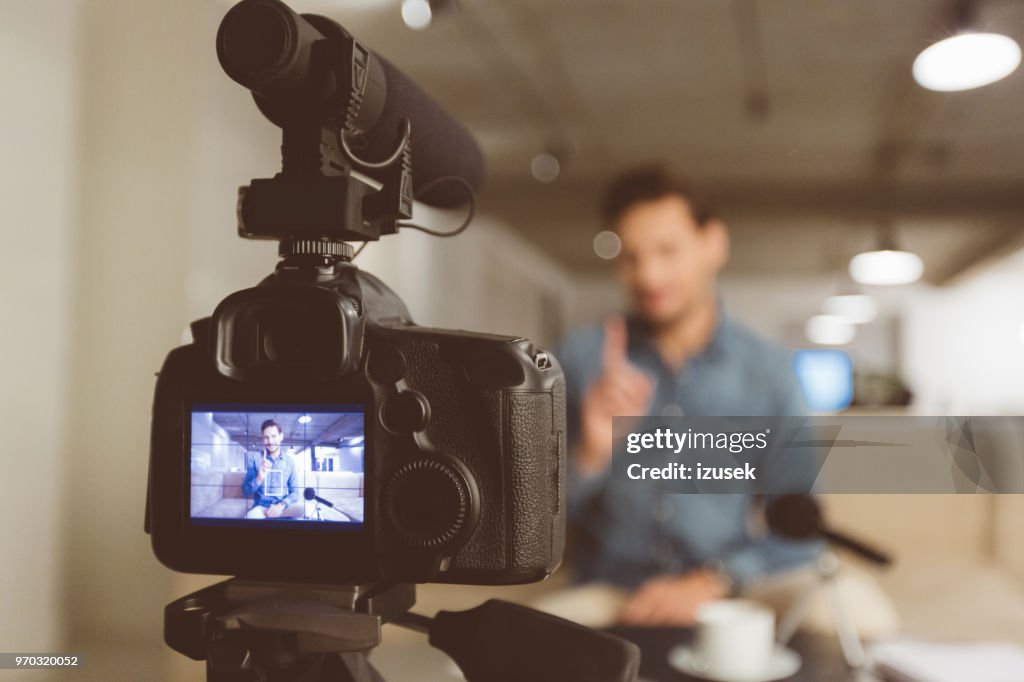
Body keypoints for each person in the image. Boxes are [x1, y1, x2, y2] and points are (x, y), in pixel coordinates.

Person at [557, 164, 820, 626]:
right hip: (610, 593)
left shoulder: (768, 371)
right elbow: (532, 524)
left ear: (713, 244)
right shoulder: (580, 360)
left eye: (666, 251)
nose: (648, 275)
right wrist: (590, 453)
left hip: (728, 590)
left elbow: (800, 530)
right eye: (630, 256)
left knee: (849, 612)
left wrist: (713, 582)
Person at [242, 419, 304, 519]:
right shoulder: (255, 459)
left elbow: (295, 493)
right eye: (266, 437)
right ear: (263, 439)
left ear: (281, 436)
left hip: (282, 507)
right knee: (249, 517)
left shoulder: (290, 462)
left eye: (274, 436)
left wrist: (281, 505)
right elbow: (245, 492)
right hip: (261, 508)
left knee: (307, 510)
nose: (270, 441)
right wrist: (259, 478)